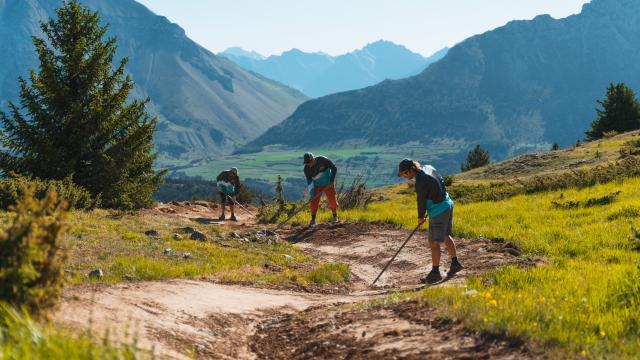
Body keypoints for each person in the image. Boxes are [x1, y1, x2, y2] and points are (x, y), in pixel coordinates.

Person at [398, 159, 463, 284]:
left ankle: (435, 273)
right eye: (402, 175)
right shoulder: (428, 167)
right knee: (445, 235)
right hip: (447, 204)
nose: (405, 176)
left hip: (438, 210)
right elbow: (440, 183)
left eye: (405, 173)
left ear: (412, 169)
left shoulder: (420, 182)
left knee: (433, 242)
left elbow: (421, 201)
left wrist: (420, 217)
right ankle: (455, 264)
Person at [303, 153, 339, 226]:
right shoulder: (306, 169)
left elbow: (334, 168)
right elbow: (310, 182)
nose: (309, 164)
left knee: (332, 200)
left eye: (309, 162)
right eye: (307, 163)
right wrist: (312, 194)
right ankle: (313, 220)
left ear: (313, 159)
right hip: (317, 185)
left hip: (328, 183)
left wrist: (331, 181)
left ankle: (335, 217)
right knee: (314, 202)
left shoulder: (323, 160)